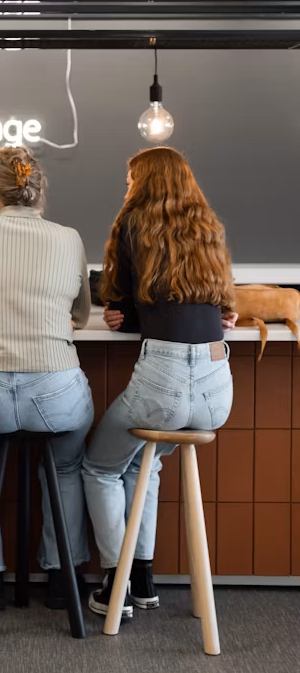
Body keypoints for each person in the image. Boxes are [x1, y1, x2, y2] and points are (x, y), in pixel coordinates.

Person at [83, 147, 237, 620]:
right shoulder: (207, 225)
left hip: (163, 383)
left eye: (130, 180)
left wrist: (117, 312)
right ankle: (145, 575)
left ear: (145, 182)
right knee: (143, 466)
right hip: (217, 390)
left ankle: (117, 582)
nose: (127, 188)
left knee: (100, 467)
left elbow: (122, 297)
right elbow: (210, 303)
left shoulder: (134, 224)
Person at [0, 146, 93, 612]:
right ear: (38, 191)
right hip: (56, 390)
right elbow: (81, 315)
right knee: (66, 468)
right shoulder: (69, 237)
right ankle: (62, 578)